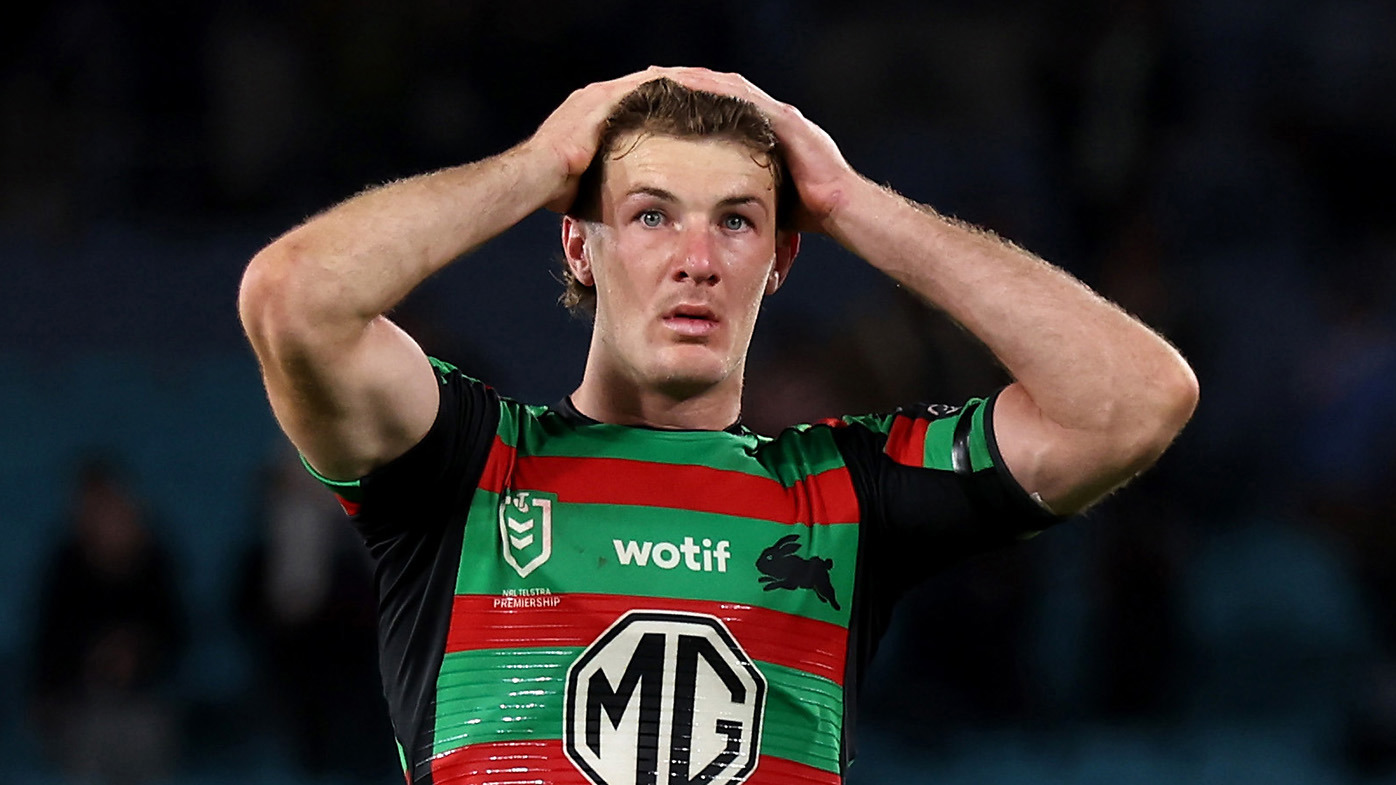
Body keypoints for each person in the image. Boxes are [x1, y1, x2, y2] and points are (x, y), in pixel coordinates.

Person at [238, 66, 1198, 785]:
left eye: (736, 222)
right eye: (651, 216)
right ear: (579, 243)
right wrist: (538, 166)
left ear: (781, 259)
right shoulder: (470, 463)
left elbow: (1133, 401)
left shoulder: (845, 493)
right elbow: (294, 301)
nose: (696, 258)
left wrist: (854, 205)